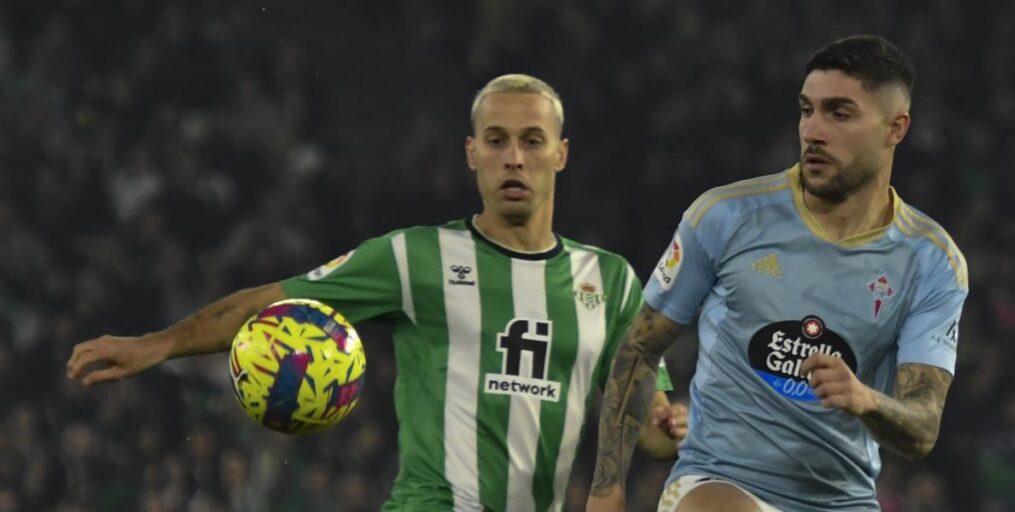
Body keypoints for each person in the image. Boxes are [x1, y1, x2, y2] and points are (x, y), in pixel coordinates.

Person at [66, 74, 688, 511]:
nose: (514, 159)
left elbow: (651, 430)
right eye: (496, 141)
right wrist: (162, 343)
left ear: (561, 154)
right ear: (471, 154)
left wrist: (671, 424)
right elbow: (274, 302)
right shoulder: (415, 257)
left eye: (531, 141)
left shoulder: (609, 281)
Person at [586, 35, 969, 512]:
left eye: (839, 113)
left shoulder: (931, 261)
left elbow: (921, 427)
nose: (813, 130)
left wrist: (865, 399)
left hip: (843, 502)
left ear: (896, 128)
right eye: (807, 110)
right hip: (718, 482)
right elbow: (640, 346)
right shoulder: (725, 217)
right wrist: (607, 489)